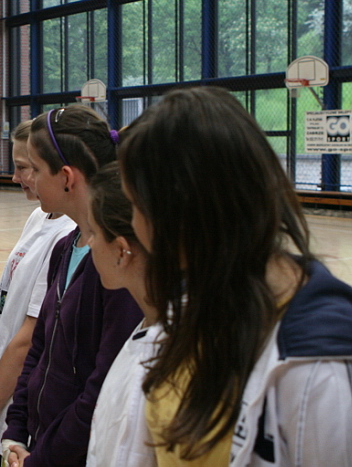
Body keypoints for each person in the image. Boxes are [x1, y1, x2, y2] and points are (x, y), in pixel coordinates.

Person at [119, 86, 352, 466]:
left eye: (134, 205)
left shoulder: (316, 369)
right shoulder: (195, 304)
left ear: (179, 213)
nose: (131, 223)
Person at [2, 105, 143, 467]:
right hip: (39, 446)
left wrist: (42, 459)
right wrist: (16, 428)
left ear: (66, 177)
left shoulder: (117, 264)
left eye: (34, 169)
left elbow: (101, 386)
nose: (27, 180)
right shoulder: (65, 248)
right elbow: (40, 348)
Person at [0, 120, 74, 467]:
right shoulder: (39, 218)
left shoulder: (66, 235)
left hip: (16, 419)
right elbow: (2, 317)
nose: (15, 177)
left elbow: (26, 343)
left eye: (25, 168)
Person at [83, 162, 159, 467]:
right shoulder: (144, 327)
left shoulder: (165, 357)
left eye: (93, 232)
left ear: (121, 250)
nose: (89, 243)